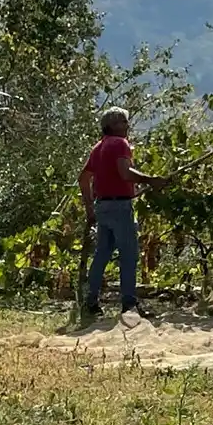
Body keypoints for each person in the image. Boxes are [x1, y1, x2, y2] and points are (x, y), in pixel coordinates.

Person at [79, 107, 168, 318]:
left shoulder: (98, 147)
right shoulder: (120, 144)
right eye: (124, 122)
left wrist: (89, 208)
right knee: (129, 256)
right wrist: (151, 180)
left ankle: (91, 301)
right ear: (115, 125)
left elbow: (83, 179)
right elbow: (125, 173)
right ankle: (129, 305)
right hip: (120, 206)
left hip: (102, 206)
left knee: (102, 254)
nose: (127, 126)